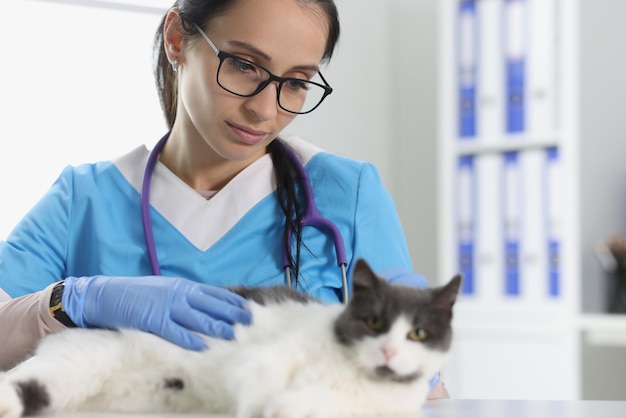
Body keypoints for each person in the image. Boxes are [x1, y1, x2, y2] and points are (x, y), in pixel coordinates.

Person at [0, 0, 449, 398]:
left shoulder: (346, 193)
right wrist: (76, 300)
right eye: (244, 64)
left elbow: (424, 383)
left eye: (295, 83)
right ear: (177, 39)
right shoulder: (84, 198)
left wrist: (418, 368)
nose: (266, 110)